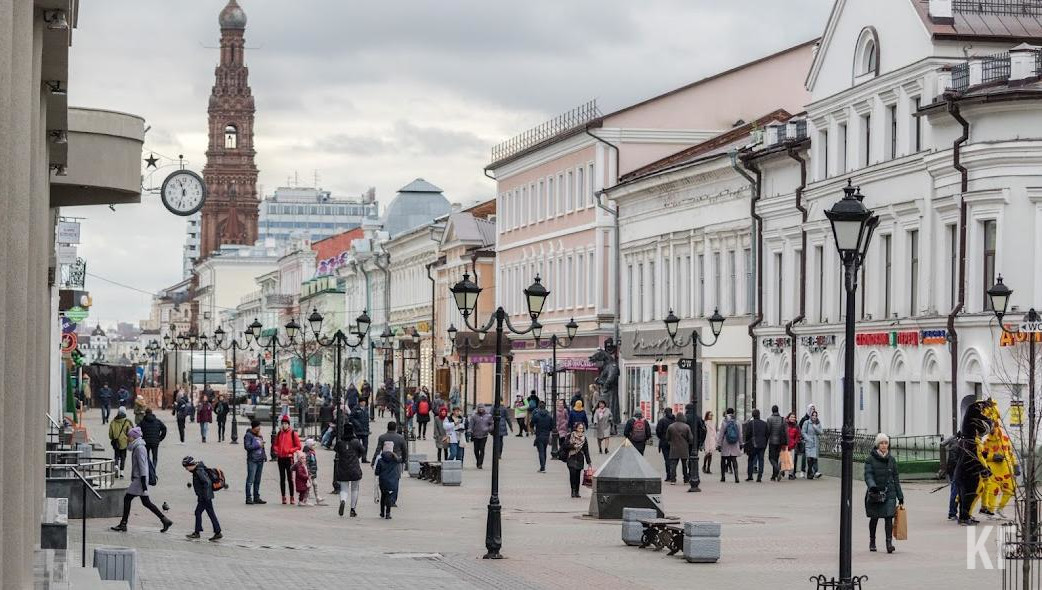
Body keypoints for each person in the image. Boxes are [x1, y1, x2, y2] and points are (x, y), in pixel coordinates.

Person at [110, 427, 172, 533]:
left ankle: (123, 524)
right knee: (146, 502)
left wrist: (143, 481)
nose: (127, 438)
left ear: (134, 437)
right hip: (140, 478)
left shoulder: (139, 448)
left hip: (140, 479)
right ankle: (165, 520)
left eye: (129, 436)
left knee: (127, 498)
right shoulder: (137, 447)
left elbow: (143, 465)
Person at [864, 433, 904, 553]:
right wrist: (872, 486)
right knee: (874, 517)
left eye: (886, 443)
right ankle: (872, 541)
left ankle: (889, 543)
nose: (884, 445)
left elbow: (896, 478)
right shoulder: (870, 459)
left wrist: (900, 496)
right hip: (875, 493)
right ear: (877, 444)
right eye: (881, 443)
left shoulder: (892, 460)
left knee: (888, 517)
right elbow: (868, 474)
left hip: (889, 493)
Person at [182, 456, 222, 541]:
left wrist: (203, 496)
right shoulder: (198, 469)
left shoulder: (199, 471)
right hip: (206, 496)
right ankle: (217, 532)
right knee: (210, 513)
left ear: (191, 465)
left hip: (205, 497)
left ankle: (197, 532)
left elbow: (207, 483)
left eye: (186, 467)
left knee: (198, 512)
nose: (186, 469)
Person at [334, 423, 365, 517]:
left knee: (344, 488)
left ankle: (343, 500)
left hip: (343, 467)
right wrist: (357, 456)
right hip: (354, 467)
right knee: (355, 489)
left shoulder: (339, 442)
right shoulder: (356, 442)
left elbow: (336, 450)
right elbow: (363, 450)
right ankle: (352, 509)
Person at [272, 415, 302, 505]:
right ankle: (283, 497)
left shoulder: (293, 433)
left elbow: (298, 446)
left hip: (289, 458)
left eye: (286, 423)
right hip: (280, 458)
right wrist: (277, 450)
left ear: (289, 424)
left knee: (290, 479)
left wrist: (290, 450)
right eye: (283, 423)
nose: (284, 425)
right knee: (282, 478)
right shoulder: (279, 433)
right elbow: (275, 445)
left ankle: (292, 497)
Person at [562, 423, 593, 498]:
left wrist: (589, 462)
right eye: (579, 428)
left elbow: (586, 451)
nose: (581, 430)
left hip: (579, 458)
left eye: (582, 428)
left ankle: (577, 492)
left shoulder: (584, 438)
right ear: (576, 428)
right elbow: (564, 446)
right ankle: (573, 490)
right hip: (571, 457)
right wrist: (572, 446)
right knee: (572, 474)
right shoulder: (570, 436)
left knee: (577, 476)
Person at [374, 441, 402, 519]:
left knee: (383, 496)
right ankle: (388, 513)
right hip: (392, 481)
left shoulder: (380, 460)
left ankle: (382, 512)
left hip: (382, 481)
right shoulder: (394, 460)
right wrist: (395, 455)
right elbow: (401, 460)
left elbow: (377, 472)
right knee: (389, 496)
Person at [243, 420, 267, 505]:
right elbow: (247, 447)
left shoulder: (259, 435)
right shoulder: (248, 435)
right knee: (250, 480)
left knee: (257, 480)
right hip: (252, 460)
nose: (259, 428)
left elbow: (262, 447)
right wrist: (258, 445)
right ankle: (248, 498)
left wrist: (264, 456)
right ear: (254, 427)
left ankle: (256, 497)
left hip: (260, 460)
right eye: (258, 426)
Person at [715, 408, 742, 483]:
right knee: (734, 460)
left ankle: (723, 477)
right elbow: (740, 434)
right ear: (733, 412)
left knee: (723, 460)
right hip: (735, 443)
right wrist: (741, 443)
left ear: (726, 413)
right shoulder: (737, 421)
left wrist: (719, 444)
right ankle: (736, 477)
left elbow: (721, 434)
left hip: (725, 443)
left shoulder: (724, 422)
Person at [666, 413, 693, 485]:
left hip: (674, 447)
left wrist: (670, 442)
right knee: (684, 465)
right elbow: (690, 438)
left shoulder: (671, 426)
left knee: (673, 465)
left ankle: (673, 479)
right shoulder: (687, 426)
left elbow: (667, 437)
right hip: (684, 448)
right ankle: (686, 479)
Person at [743, 409, 769, 482]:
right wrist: (765, 443)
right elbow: (767, 434)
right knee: (761, 460)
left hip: (753, 444)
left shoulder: (750, 423)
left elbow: (747, 434)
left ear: (752, 415)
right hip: (762, 444)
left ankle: (750, 476)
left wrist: (747, 443)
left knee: (751, 459)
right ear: (759, 415)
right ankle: (759, 477)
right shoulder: (764, 423)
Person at [108, 407, 132, 478]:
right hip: (124, 442)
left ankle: (116, 465)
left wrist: (113, 438)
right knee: (123, 457)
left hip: (116, 442)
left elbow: (110, 434)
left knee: (116, 455)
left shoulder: (113, 422)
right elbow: (130, 433)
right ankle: (122, 472)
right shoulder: (127, 422)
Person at [531, 401, 554, 472]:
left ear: (539, 407)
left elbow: (531, 424)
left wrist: (533, 430)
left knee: (540, 451)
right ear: (545, 406)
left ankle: (542, 467)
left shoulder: (536, 415)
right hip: (546, 436)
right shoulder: (549, 416)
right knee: (544, 451)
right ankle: (543, 466)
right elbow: (552, 426)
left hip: (539, 435)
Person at [766, 405, 786, 481]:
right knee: (776, 458)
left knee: (771, 458)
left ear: (772, 410)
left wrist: (766, 440)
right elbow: (784, 430)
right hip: (780, 441)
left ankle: (777, 469)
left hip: (772, 441)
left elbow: (768, 430)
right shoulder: (782, 419)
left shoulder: (769, 419)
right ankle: (774, 476)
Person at [801, 410, 824, 480]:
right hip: (809, 442)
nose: (814, 417)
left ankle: (811, 472)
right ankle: (810, 473)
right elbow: (803, 432)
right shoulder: (806, 422)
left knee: (814, 458)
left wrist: (815, 427)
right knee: (809, 458)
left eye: (815, 415)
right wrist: (808, 439)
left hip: (815, 442)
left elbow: (821, 432)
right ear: (810, 416)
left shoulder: (818, 423)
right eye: (813, 415)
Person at [797, 403, 816, 478]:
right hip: (805, 440)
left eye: (814, 409)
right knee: (805, 456)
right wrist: (802, 438)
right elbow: (800, 429)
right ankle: (802, 470)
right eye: (811, 409)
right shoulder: (804, 419)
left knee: (813, 456)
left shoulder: (815, 419)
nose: (813, 410)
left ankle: (813, 471)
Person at [656, 408, 676, 482]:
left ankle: (669, 475)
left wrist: (661, 437)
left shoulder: (662, 421)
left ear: (665, 413)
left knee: (667, 459)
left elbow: (658, 431)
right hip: (674, 442)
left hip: (664, 442)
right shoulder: (675, 420)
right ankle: (673, 475)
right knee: (673, 459)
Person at [784, 412, 802, 480]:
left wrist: (795, 441)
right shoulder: (785, 425)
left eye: (794, 417)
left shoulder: (796, 426)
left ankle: (790, 474)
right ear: (788, 418)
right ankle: (781, 470)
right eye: (791, 417)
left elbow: (798, 435)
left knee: (791, 460)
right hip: (785, 445)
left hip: (792, 445)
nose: (793, 418)